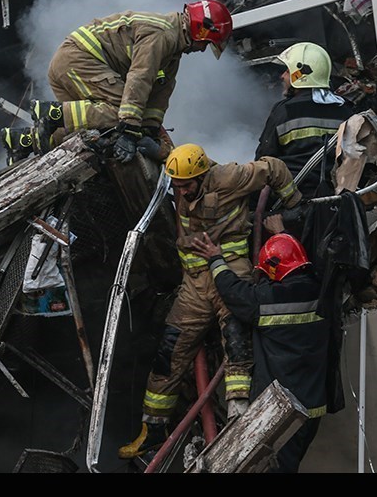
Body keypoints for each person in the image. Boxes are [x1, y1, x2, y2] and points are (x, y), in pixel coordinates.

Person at [117, 143, 304, 460]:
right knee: (169, 353)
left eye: (186, 184)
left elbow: (273, 167)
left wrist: (295, 203)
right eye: (176, 184)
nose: (181, 190)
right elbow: (169, 153)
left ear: (203, 175)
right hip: (193, 286)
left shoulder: (229, 177)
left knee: (237, 344)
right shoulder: (181, 181)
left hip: (231, 275)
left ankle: (238, 420)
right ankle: (153, 431)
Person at [189, 229, 328, 473]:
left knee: (275, 468)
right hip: (313, 407)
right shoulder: (319, 292)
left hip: (283, 411)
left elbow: (236, 295)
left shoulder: (271, 299)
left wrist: (216, 259)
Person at [30, 0, 233, 163]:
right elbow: (140, 77)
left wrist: (150, 129)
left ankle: (25, 140)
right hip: (77, 60)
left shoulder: (173, 51)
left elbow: (160, 95)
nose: (203, 49)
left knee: (94, 127)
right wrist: (129, 128)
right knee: (121, 112)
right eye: (206, 44)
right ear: (201, 30)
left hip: (74, 63)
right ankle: (52, 113)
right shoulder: (162, 34)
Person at [255, 42, 355, 199]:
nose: (282, 76)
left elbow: (265, 160)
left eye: (288, 71)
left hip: (290, 199)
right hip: (336, 197)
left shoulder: (284, 111)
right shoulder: (346, 111)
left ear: (300, 74)